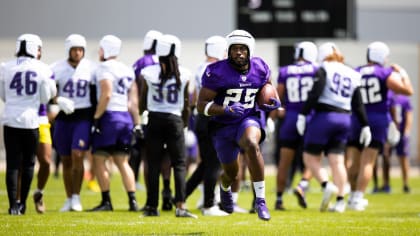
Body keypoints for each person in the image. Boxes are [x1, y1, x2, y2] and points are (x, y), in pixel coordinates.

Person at [196, 29, 281, 221]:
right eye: (235, 49)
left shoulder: (260, 67)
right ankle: (224, 187)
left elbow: (268, 89)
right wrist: (225, 109)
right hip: (223, 126)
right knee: (231, 173)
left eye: (243, 49)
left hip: (247, 119)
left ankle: (260, 200)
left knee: (252, 143)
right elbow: (201, 106)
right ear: (229, 50)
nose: (239, 53)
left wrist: (272, 103)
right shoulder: (215, 72)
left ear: (250, 50)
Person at [296, 42, 371, 213]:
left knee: (309, 157)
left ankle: (326, 185)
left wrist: (303, 114)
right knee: (337, 162)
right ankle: (340, 201)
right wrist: (365, 124)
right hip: (345, 118)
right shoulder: (352, 72)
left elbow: (316, 92)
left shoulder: (325, 67)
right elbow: (358, 103)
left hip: (325, 116)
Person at [346, 42, 413, 211]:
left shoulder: (356, 71)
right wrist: (403, 73)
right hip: (376, 119)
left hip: (356, 119)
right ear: (381, 55)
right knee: (368, 161)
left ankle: (352, 195)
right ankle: (358, 198)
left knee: (354, 161)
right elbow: (407, 91)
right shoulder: (385, 72)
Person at [140, 34, 197, 218]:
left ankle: (151, 206)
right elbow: (187, 105)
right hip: (175, 121)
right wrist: (185, 125)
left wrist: (142, 116)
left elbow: (143, 101)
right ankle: (180, 205)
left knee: (154, 164)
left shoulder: (149, 72)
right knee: (179, 164)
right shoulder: (185, 73)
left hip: (155, 119)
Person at [0, 33, 56, 215]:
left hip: (10, 119)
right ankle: (23, 203)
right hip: (31, 120)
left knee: (13, 164)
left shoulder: (5, 67)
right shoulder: (43, 68)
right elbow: (45, 97)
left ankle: (12, 205)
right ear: (35, 48)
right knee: (29, 163)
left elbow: (3, 95)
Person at [89, 35, 140, 212]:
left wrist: (96, 117)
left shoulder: (103, 68)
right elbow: (133, 101)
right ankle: (133, 201)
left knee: (99, 158)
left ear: (105, 49)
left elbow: (107, 94)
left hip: (109, 118)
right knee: (122, 161)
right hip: (125, 119)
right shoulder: (127, 69)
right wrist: (137, 122)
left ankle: (106, 201)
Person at [51, 34, 97, 212]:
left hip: (83, 116)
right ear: (68, 50)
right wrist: (57, 100)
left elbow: (96, 94)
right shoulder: (56, 68)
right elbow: (46, 92)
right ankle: (69, 198)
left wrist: (95, 118)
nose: (78, 53)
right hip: (64, 117)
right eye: (74, 49)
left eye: (80, 50)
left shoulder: (91, 68)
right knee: (65, 159)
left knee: (78, 155)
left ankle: (76, 197)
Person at [184, 35, 229, 216]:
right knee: (215, 163)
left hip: (200, 117)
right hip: (211, 118)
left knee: (206, 163)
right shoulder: (216, 68)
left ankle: (181, 195)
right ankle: (209, 204)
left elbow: (194, 97)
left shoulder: (199, 67)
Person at [130, 30, 174, 211]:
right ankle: (166, 188)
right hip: (170, 114)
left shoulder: (142, 63)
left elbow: (135, 93)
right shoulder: (172, 61)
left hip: (149, 114)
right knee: (167, 157)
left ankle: (151, 199)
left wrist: (137, 119)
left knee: (149, 159)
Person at [275, 41, 318, 210]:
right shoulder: (316, 69)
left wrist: (274, 115)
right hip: (309, 117)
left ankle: (279, 199)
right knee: (313, 158)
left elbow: (277, 97)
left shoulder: (285, 70)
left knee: (284, 162)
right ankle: (302, 184)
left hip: (290, 117)